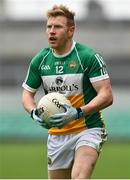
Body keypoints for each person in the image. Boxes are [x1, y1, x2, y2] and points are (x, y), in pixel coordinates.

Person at [22, 4, 113, 179]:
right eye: (49, 27)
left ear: (71, 31)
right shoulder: (40, 61)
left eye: (58, 27)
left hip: (87, 129)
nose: (51, 31)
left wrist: (77, 113)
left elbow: (106, 95)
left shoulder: (87, 57)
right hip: (57, 135)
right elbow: (27, 94)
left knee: (79, 177)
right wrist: (33, 112)